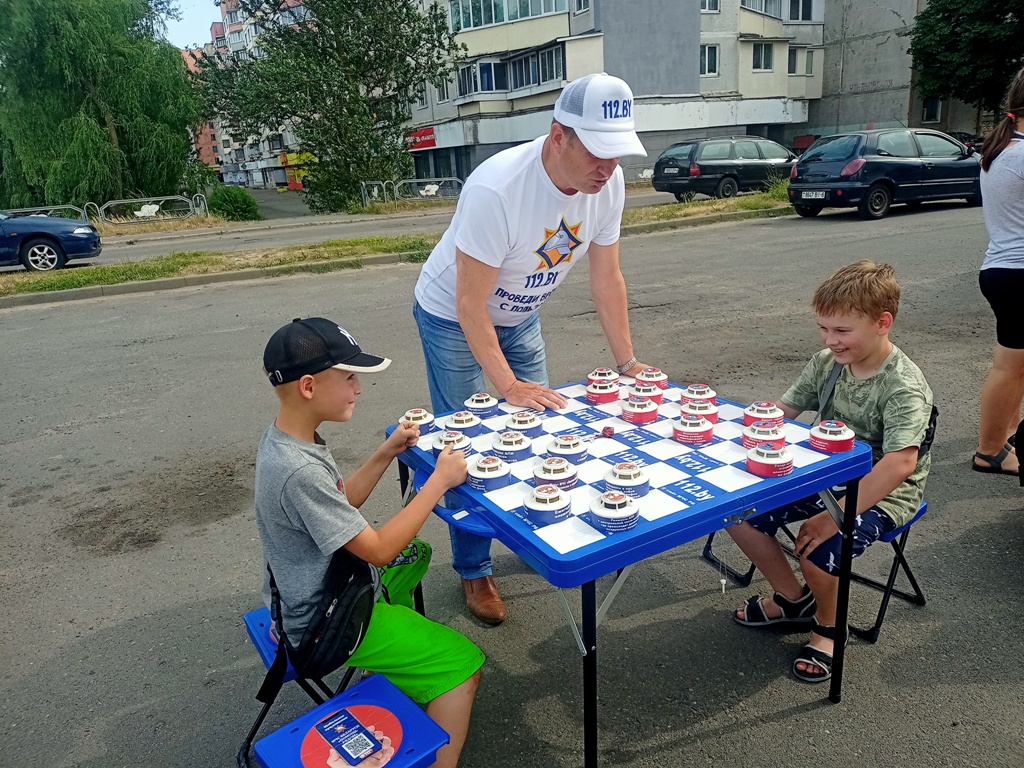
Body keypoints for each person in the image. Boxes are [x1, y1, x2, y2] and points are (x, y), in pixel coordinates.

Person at [412, 73, 653, 624]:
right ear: (558, 136)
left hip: (520, 313)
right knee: (466, 447)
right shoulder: (497, 188)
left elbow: (607, 277)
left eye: (617, 153)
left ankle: (532, 532)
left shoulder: (606, 185)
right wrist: (508, 387)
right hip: (452, 317)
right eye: (597, 151)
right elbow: (470, 305)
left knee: (542, 431)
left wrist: (628, 363)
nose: (608, 167)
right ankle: (474, 572)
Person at [255, 317, 484, 768]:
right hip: (324, 623)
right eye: (349, 378)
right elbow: (377, 550)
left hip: (320, 588)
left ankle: (400, 658)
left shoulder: (289, 440)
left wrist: (385, 453)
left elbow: (342, 502)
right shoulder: (297, 470)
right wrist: (437, 482)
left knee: (417, 553)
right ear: (308, 386)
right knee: (464, 664)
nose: (358, 389)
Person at [726, 261, 933, 683]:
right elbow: (783, 412)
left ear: (882, 323)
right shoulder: (827, 362)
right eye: (823, 329)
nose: (830, 340)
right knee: (736, 513)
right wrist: (734, 433)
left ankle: (827, 628)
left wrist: (832, 515)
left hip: (885, 488)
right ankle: (792, 599)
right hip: (822, 472)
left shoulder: (903, 386)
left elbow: (900, 463)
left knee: (820, 552)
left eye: (841, 331)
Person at [973, 65, 1024, 478]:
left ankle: (1007, 432)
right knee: (1010, 364)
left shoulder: (1004, 150)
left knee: (1016, 363)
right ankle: (989, 450)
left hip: (1004, 270)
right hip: (1017, 274)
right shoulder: (1020, 154)